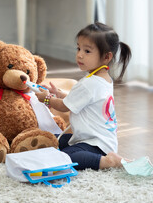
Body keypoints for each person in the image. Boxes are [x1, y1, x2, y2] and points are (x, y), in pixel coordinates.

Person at [35, 22, 132, 170]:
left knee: (66, 156)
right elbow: (85, 101)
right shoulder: (104, 79)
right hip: (100, 141)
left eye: (87, 51)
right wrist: (60, 94)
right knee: (54, 140)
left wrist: (46, 98)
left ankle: (107, 162)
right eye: (79, 48)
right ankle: (106, 156)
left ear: (106, 57)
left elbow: (64, 106)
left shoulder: (88, 84)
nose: (79, 54)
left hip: (95, 144)